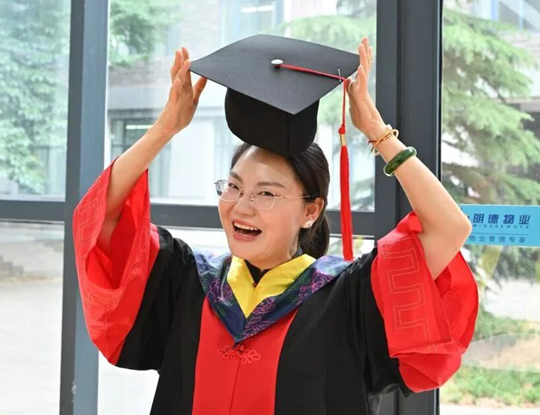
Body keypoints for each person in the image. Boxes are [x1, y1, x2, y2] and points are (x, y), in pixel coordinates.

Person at [72, 35, 478, 415]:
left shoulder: (350, 299)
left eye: (266, 193)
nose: (241, 206)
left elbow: (448, 227)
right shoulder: (185, 282)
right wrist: (164, 129)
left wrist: (378, 132)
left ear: (310, 211)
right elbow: (102, 218)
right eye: (234, 186)